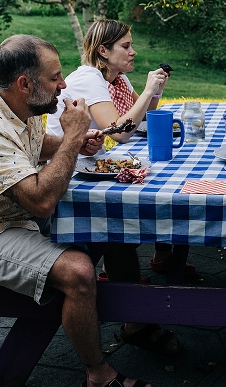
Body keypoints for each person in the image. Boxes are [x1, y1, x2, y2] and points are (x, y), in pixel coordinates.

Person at [0, 34, 161, 387]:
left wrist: (73, 141)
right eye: (55, 77)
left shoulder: (10, 98)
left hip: (11, 213)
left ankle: (135, 321)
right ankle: (98, 376)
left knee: (109, 220)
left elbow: (29, 145)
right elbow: (41, 201)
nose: (64, 85)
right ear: (25, 84)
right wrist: (72, 137)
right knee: (78, 271)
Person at [45, 19, 186, 356]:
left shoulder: (115, 79)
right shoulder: (88, 79)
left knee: (125, 217)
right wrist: (149, 90)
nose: (133, 51)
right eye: (126, 46)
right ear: (103, 51)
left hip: (91, 165)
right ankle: (137, 309)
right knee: (121, 221)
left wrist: (156, 90)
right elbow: (121, 130)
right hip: (67, 173)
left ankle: (136, 305)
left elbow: (142, 118)